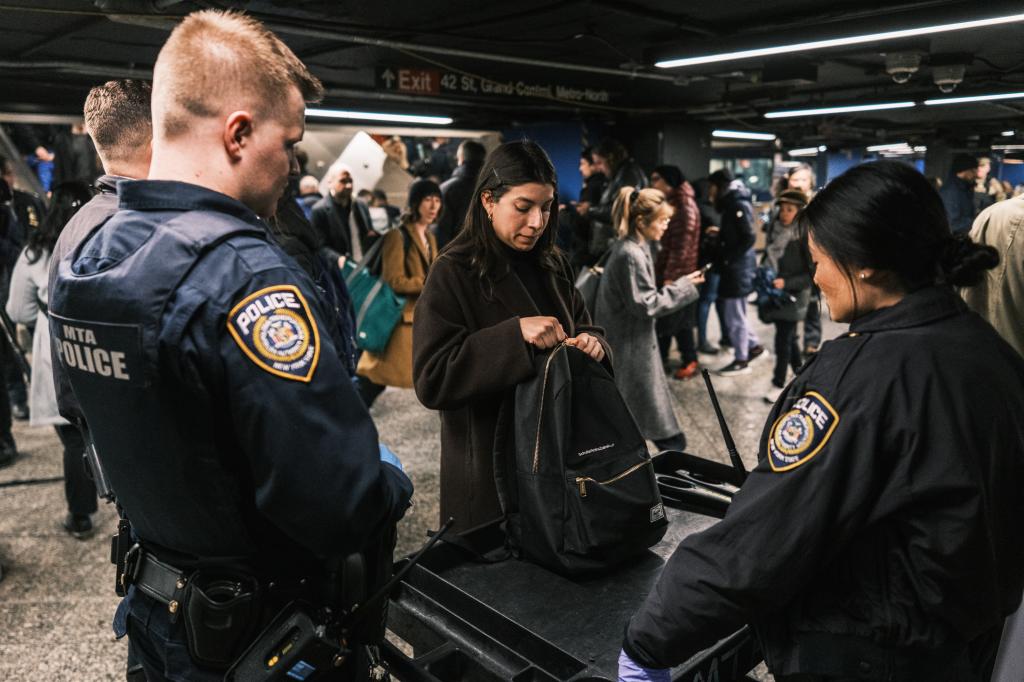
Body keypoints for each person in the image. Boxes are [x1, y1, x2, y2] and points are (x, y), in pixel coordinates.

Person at [48, 11, 412, 680]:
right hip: (258, 638)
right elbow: (336, 504)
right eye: (291, 143)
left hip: (155, 610)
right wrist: (387, 480)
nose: (292, 164)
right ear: (239, 133)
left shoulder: (88, 249)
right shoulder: (245, 274)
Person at [618, 160, 1023, 682]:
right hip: (963, 644)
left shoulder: (858, 379)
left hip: (868, 653)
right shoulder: (988, 351)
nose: (815, 277)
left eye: (819, 260)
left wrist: (650, 640)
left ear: (867, 264)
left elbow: (765, 537)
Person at [413, 140, 609, 533]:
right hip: (490, 476)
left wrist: (594, 345)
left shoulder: (552, 263)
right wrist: (513, 336)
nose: (537, 222)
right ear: (488, 201)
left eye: (547, 207)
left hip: (559, 461)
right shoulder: (453, 272)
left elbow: (587, 326)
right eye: (523, 207)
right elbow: (432, 378)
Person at [7, 181, 97, 537]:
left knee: (73, 438)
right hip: (105, 338)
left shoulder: (36, 252)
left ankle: (80, 514)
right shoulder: (104, 238)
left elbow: (18, 309)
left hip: (54, 342)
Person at [594, 186, 702, 453]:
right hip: (631, 349)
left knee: (637, 421)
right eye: (662, 220)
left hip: (632, 345)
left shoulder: (633, 247)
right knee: (657, 424)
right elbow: (645, 305)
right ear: (642, 222)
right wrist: (683, 287)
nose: (666, 225)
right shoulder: (630, 254)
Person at [356, 179, 441, 408]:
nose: (433, 206)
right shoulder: (397, 236)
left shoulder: (431, 237)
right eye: (427, 199)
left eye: (437, 200)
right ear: (415, 203)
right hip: (399, 321)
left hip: (419, 321)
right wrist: (431, 283)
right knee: (373, 378)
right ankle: (348, 417)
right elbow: (394, 280)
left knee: (376, 379)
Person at [708, 168, 763, 375]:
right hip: (736, 267)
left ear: (720, 185)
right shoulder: (733, 202)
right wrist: (721, 233)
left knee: (734, 317)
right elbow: (738, 234)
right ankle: (753, 346)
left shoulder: (737, 203)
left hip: (737, 269)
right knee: (737, 313)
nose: (710, 191)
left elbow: (749, 237)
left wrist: (730, 258)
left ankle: (741, 360)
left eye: (712, 186)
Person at [761, 189, 813, 404]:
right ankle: (802, 378)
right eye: (782, 209)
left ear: (800, 212)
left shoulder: (804, 237)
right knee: (789, 338)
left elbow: (812, 273)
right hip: (775, 292)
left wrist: (787, 282)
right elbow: (769, 256)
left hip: (793, 296)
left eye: (790, 210)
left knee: (782, 339)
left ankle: (779, 383)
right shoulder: (776, 229)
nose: (784, 213)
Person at [649, 165, 701, 380]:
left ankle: (665, 365)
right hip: (676, 274)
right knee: (680, 324)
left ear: (668, 181)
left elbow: (681, 246)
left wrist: (670, 276)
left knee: (669, 323)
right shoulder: (676, 202)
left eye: (656, 179)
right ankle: (687, 360)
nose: (653, 184)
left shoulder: (684, 206)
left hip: (678, 276)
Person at [579, 138, 647, 260]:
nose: (598, 168)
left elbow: (622, 210)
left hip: (619, 246)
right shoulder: (619, 175)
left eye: (599, 162)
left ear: (610, 158)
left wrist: (590, 210)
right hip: (613, 245)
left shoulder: (629, 175)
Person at [310, 163, 376, 262]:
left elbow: (369, 233)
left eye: (350, 181)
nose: (349, 185)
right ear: (330, 182)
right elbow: (320, 246)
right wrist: (338, 259)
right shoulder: (319, 210)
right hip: (341, 270)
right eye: (343, 181)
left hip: (366, 265)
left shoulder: (361, 204)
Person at [435, 139, 485, 249]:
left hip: (458, 256)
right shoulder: (495, 187)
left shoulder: (447, 189)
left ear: (461, 159)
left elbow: (441, 231)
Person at [940, 152, 979, 233]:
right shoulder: (950, 191)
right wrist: (978, 222)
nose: (976, 174)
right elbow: (953, 224)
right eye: (974, 170)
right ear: (966, 170)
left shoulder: (965, 188)